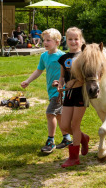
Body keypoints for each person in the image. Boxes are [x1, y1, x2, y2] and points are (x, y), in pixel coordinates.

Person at [21, 28, 69, 153]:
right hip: (51, 90)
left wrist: (62, 83)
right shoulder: (43, 56)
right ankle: (67, 138)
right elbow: (39, 71)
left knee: (50, 113)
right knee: (58, 115)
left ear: (57, 42)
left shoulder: (62, 56)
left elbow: (69, 73)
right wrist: (28, 81)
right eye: (44, 40)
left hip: (59, 91)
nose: (45, 43)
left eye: (48, 40)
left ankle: (50, 141)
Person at [57, 27, 90, 167]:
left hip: (81, 94)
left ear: (81, 40)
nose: (73, 41)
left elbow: (87, 76)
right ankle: (83, 138)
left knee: (75, 125)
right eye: (70, 39)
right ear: (66, 40)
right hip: (68, 94)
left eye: (76, 39)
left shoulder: (84, 56)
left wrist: (73, 84)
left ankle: (74, 157)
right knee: (65, 125)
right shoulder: (63, 58)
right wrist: (59, 84)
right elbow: (62, 76)